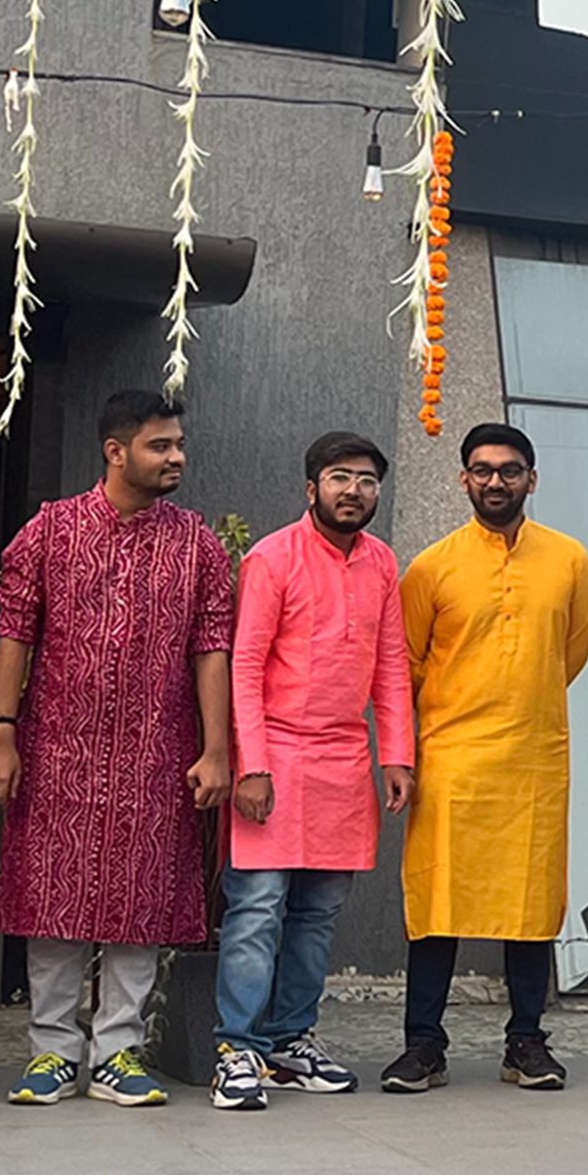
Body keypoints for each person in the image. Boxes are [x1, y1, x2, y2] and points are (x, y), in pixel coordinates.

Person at [0, 391, 233, 1108]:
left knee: (141, 898)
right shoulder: (50, 531)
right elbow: (13, 633)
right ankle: (52, 1052)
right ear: (115, 452)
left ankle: (119, 1050)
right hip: (57, 748)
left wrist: (217, 749)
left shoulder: (197, 545)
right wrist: (2, 732)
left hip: (158, 750)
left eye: (179, 444)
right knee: (53, 896)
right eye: (161, 445)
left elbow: (212, 649)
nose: (176, 457)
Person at [384, 421, 588, 1096]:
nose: (495, 481)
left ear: (532, 479)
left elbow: (570, 653)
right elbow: (406, 664)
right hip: (452, 758)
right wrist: (418, 744)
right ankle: (423, 1045)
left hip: (533, 757)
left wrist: (519, 697)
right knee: (437, 901)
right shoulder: (432, 567)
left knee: (530, 899)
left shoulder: (569, 560)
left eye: (509, 470)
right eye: (482, 470)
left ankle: (526, 1042)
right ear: (464, 480)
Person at [210, 431, 415, 1111]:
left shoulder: (382, 562)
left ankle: (291, 1041)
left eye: (366, 480)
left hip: (344, 759)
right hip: (274, 752)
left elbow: (391, 664)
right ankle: (236, 1050)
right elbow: (244, 664)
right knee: (257, 909)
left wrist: (396, 755)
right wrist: (252, 764)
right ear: (311, 488)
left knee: (318, 914)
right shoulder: (272, 558)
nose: (354, 491)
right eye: (339, 478)